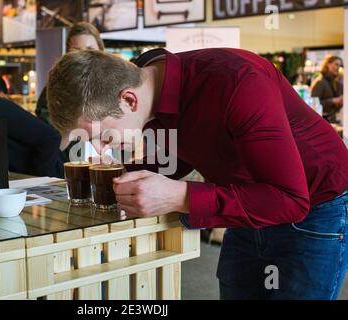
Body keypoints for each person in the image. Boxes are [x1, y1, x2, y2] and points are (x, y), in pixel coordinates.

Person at [47, 48, 348, 299]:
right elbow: (181, 152)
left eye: (102, 136)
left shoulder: (237, 83)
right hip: (246, 199)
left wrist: (180, 196)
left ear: (128, 100)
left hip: (317, 205)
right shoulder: (145, 86)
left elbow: (291, 200)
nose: (99, 150)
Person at [35, 21, 105, 124]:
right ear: (68, 52)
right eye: (76, 50)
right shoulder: (58, 80)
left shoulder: (112, 78)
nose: (84, 54)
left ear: (100, 49)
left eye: (90, 49)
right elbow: (44, 112)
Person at [311, 55, 343, 123]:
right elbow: (313, 104)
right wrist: (333, 101)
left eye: (340, 65)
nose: (338, 68)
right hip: (323, 121)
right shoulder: (320, 82)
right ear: (328, 64)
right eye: (336, 64)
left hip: (335, 121)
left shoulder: (337, 82)